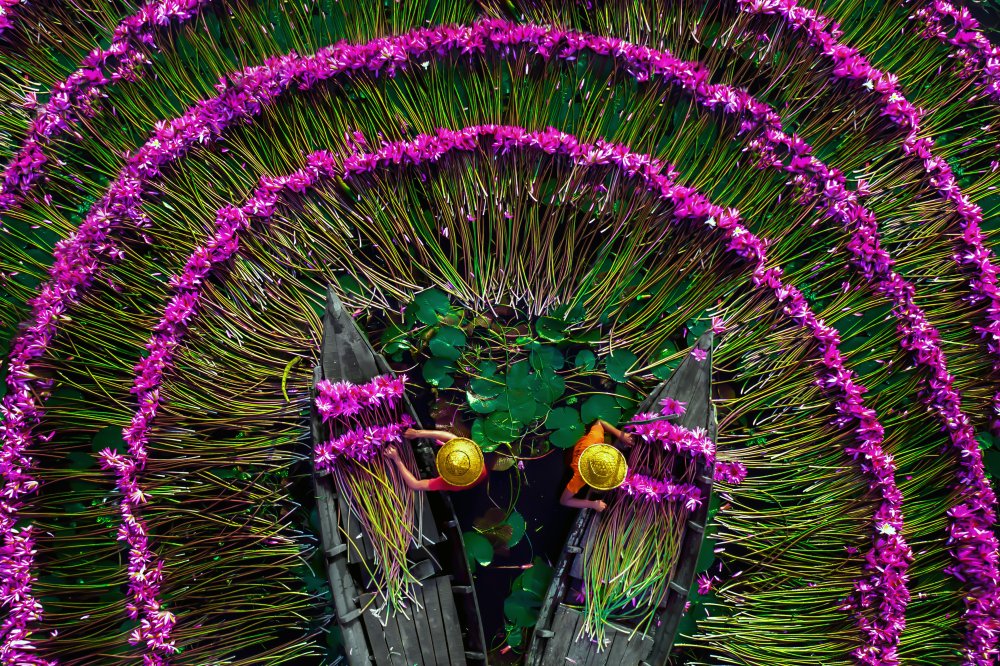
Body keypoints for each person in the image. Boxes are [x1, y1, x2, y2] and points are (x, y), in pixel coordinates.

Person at [559, 419, 633, 512]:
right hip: (571, 456)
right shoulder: (580, 478)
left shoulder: (595, 439)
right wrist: (593, 504)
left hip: (584, 445)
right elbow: (564, 501)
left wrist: (620, 434)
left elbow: (600, 422)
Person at [384, 427, 488, 492]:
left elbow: (415, 485)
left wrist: (397, 459)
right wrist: (417, 433)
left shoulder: (448, 483)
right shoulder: (473, 455)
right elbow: (451, 437)